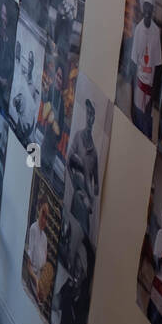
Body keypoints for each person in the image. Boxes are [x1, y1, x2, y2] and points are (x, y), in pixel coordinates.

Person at [129, 0, 162, 136]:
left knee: (146, 122)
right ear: (143, 8)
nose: (148, 11)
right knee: (136, 118)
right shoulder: (137, 31)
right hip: (138, 84)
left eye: (151, 8)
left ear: (153, 9)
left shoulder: (156, 32)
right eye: (146, 7)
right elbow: (133, 63)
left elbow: (157, 65)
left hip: (149, 87)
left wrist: (153, 95)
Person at [67, 99, 102, 233]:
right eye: (88, 113)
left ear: (94, 119)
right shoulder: (78, 137)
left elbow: (97, 187)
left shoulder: (94, 154)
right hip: (76, 200)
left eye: (92, 114)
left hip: (86, 209)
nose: (89, 117)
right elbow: (68, 163)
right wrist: (77, 188)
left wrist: (91, 200)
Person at [11, 48, 40, 141]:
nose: (29, 63)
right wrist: (15, 101)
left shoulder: (33, 88)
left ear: (33, 64)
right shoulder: (21, 78)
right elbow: (13, 100)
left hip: (26, 132)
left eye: (31, 61)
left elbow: (34, 114)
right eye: (28, 60)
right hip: (18, 126)